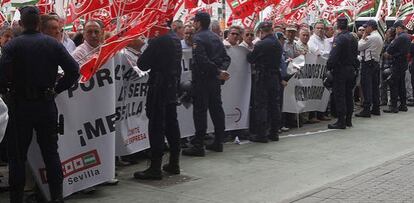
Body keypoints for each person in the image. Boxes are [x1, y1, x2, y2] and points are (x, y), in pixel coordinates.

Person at [0, 6, 79, 202]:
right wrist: (57, 89)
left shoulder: (13, 46)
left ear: (21, 23)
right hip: (45, 104)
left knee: (18, 157)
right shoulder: (53, 45)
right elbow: (74, 70)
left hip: (20, 106)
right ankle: (57, 197)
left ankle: (16, 198)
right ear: (38, 24)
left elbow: (1, 75)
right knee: (51, 153)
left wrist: (7, 91)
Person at [133, 22, 183, 180]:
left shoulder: (158, 40)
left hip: (159, 87)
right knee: (172, 125)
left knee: (156, 126)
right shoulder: (175, 38)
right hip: (171, 86)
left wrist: (146, 46)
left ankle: (155, 167)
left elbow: (142, 63)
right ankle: (174, 162)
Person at [182, 12, 230, 157]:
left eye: (194, 22)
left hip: (203, 80)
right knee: (216, 109)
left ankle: (198, 145)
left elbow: (202, 60)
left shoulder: (198, 38)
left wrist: (217, 71)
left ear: (198, 23)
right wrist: (220, 71)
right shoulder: (216, 37)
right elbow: (226, 58)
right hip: (214, 80)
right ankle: (219, 141)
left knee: (200, 112)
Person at [247, 21, 282, 143]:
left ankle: (261, 134)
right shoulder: (277, 43)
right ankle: (274, 132)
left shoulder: (261, 44)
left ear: (261, 31)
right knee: (274, 105)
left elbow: (250, 59)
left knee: (261, 105)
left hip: (263, 76)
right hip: (274, 77)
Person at [327, 17, 358, 129]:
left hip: (340, 71)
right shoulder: (353, 38)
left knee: (340, 95)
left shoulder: (339, 39)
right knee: (349, 95)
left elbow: (334, 56)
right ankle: (348, 120)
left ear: (338, 26)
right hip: (351, 70)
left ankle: (341, 121)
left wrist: (329, 67)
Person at [355, 20, 384, 117]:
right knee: (375, 87)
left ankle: (366, 109)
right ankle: (376, 108)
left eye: (366, 27)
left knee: (367, 86)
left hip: (368, 64)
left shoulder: (370, 37)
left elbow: (358, 47)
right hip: (375, 63)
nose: (365, 29)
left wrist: (363, 37)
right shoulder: (379, 36)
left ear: (371, 27)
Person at [383, 21, 411, 113]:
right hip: (403, 63)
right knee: (401, 84)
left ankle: (393, 106)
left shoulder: (400, 37)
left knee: (393, 83)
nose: (395, 31)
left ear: (399, 28)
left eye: (396, 29)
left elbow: (390, 48)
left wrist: (390, 53)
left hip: (397, 63)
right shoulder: (407, 37)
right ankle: (403, 105)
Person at [380, 28, 396, 106]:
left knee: (391, 84)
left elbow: (391, 54)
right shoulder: (385, 42)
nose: (387, 34)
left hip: (391, 65)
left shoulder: (394, 42)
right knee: (383, 85)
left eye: (388, 32)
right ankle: (383, 100)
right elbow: (382, 52)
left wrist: (387, 54)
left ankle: (393, 102)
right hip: (383, 65)